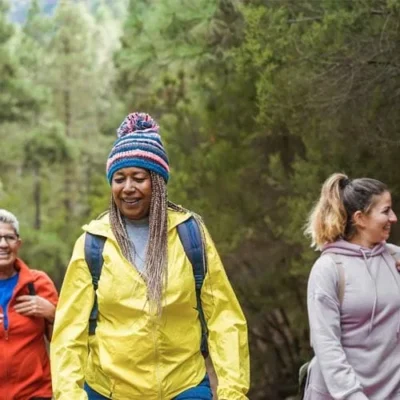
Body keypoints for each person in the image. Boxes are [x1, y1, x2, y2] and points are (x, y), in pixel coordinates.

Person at [51, 112, 250, 400]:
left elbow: (224, 317)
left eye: (138, 178)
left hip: (183, 386)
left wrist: (233, 391)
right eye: (119, 178)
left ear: (157, 182)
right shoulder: (93, 243)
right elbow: (69, 331)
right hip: (109, 390)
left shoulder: (190, 234)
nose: (128, 188)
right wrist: (69, 395)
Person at [303, 173, 400, 399]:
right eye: (385, 211)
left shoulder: (395, 258)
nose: (393, 218)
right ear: (360, 218)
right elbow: (327, 346)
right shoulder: (328, 269)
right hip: (340, 394)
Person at [0, 209, 58, 400]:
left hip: (36, 393)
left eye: (9, 237)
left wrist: (52, 313)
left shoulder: (38, 282)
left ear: (18, 243)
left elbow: (65, 340)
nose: (3, 244)